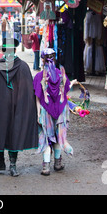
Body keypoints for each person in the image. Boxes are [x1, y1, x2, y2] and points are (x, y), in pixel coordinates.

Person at [0, 38, 38, 176]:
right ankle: (13, 166)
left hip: (0, 106)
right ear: (15, 50)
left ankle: (1, 162)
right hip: (17, 106)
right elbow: (28, 91)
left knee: (0, 130)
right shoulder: (22, 67)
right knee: (14, 132)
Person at [33, 48, 75, 176]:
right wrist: (71, 83)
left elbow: (38, 98)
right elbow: (66, 91)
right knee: (58, 136)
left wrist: (38, 114)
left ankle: (46, 167)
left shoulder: (39, 77)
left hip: (46, 111)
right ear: (54, 58)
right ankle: (58, 163)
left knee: (46, 137)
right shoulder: (61, 73)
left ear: (42, 59)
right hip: (61, 111)